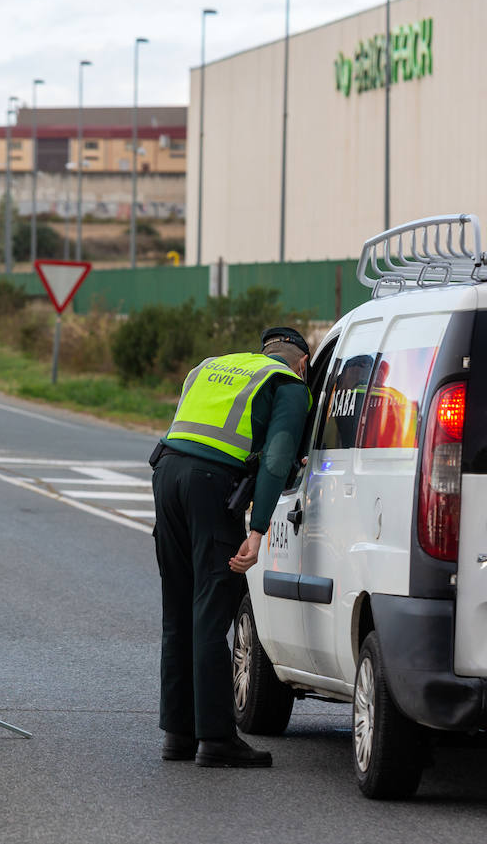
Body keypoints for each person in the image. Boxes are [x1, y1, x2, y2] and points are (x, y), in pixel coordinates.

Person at [149, 326, 312, 768]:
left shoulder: (214, 366)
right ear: (301, 362)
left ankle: (178, 736)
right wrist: (257, 530)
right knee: (210, 611)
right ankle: (217, 739)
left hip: (165, 475)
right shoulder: (289, 385)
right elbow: (278, 458)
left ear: (265, 351)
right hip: (208, 486)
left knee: (178, 611)